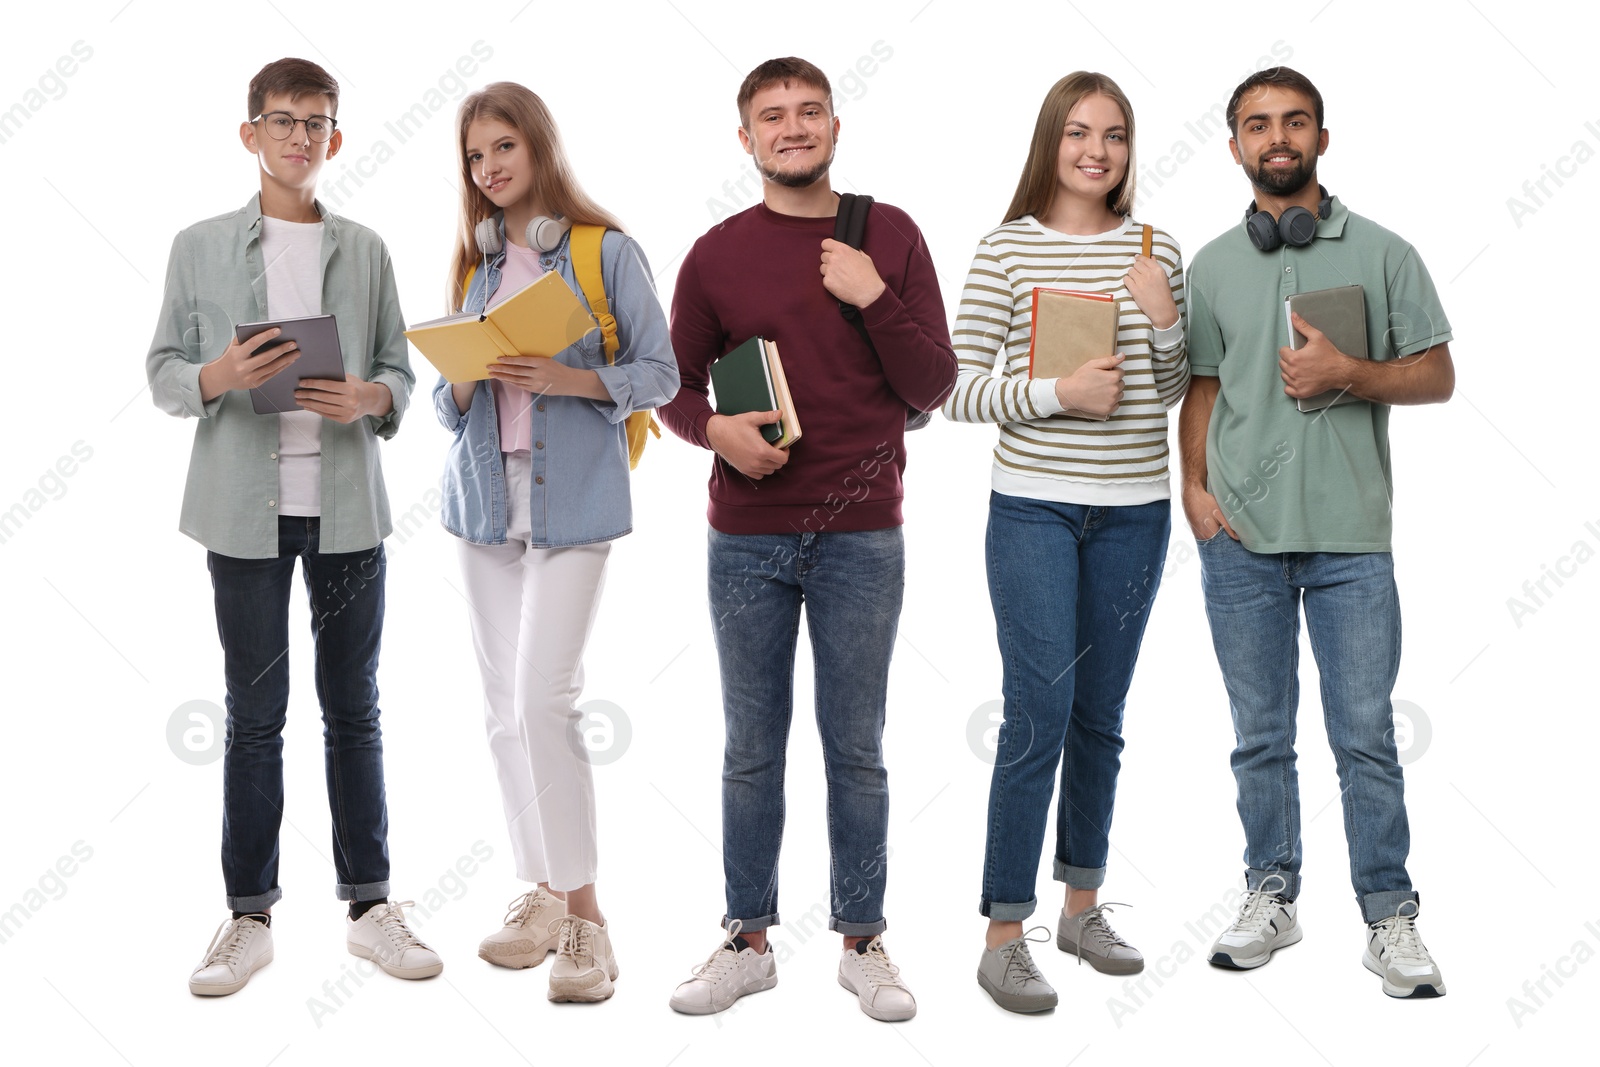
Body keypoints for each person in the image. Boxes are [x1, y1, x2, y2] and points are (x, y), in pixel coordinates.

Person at [658, 56, 957, 1022]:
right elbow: (671, 386)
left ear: (836, 126)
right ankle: (747, 937)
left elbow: (932, 387)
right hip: (745, 534)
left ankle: (862, 940)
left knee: (856, 748)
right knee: (751, 747)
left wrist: (874, 295)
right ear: (745, 139)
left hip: (864, 534)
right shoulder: (714, 254)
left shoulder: (891, 237)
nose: (793, 128)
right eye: (772, 116)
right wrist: (717, 433)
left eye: (809, 112)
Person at [147, 57, 436, 997]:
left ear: (335, 139)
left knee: (355, 709)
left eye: (317, 123)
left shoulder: (367, 248)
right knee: (254, 716)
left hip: (349, 509)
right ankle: (247, 915)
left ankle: (371, 907)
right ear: (251, 135)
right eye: (283, 121)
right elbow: (160, 370)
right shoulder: (197, 246)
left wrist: (371, 396)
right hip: (242, 513)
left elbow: (401, 370)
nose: (300, 137)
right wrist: (215, 378)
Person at [1180, 66, 1453, 998]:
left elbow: (1438, 374)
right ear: (1236, 148)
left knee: (1365, 734)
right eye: (1258, 126)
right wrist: (1195, 491)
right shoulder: (1211, 264)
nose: (1277, 138)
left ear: (1323, 138)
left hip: (1350, 540)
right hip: (1239, 541)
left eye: (1294, 121)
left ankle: (1388, 914)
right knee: (1260, 736)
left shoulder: (1384, 252)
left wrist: (1353, 370)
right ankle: (1272, 893)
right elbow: (1203, 387)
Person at [942, 72, 1189, 1014]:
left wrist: (1163, 313)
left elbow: (1168, 389)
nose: (1098, 151)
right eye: (1079, 132)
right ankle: (1005, 929)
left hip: (1136, 510)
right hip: (1034, 509)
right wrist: (1055, 395)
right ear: (1051, 141)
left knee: (1102, 713)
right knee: (1037, 708)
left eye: (1115, 135)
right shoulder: (1005, 250)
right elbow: (957, 390)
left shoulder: (1156, 249)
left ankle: (1082, 904)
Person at [432, 81, 679, 1004]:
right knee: (502, 713)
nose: (490, 169)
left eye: (503, 147)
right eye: (474, 157)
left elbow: (659, 371)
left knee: (545, 701)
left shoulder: (603, 252)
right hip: (483, 509)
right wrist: (460, 379)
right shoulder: (479, 264)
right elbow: (448, 411)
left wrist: (564, 378)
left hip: (571, 505)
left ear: (538, 146)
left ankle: (589, 920)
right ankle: (543, 891)